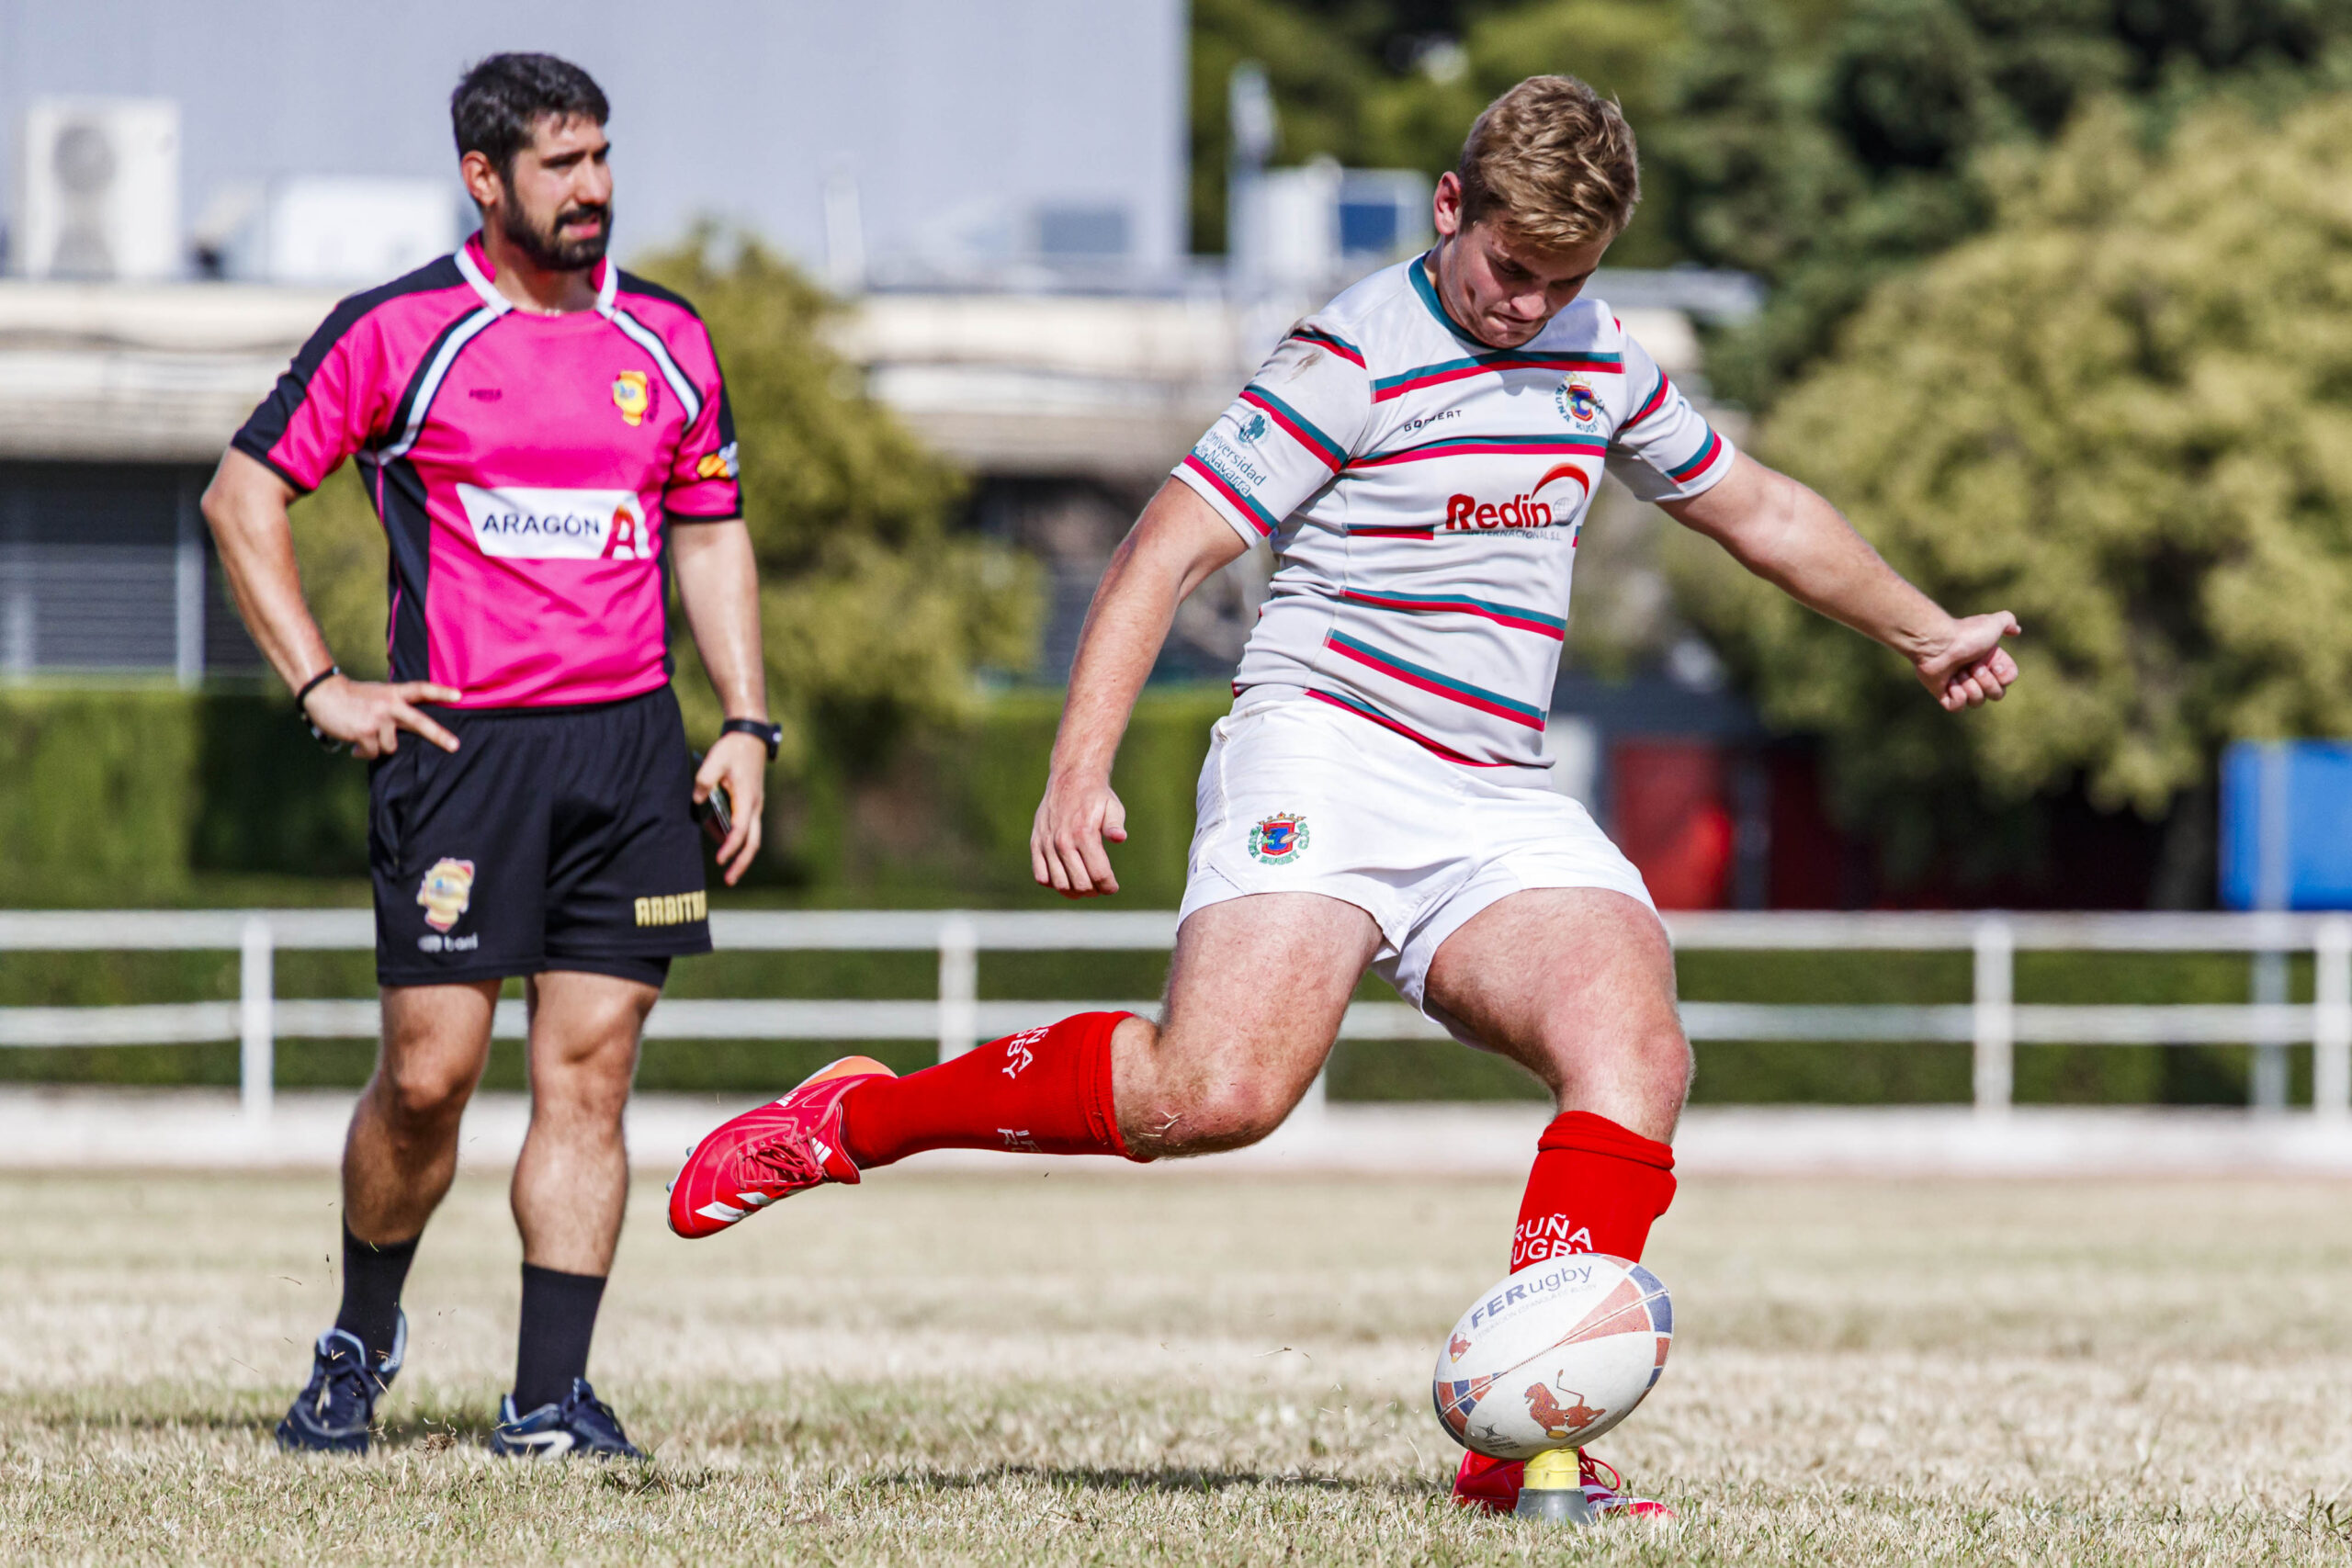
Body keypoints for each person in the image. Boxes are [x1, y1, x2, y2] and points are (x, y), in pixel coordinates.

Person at [666, 75, 2018, 1514]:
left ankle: (1522, 1448)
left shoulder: (1601, 355)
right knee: (1221, 1093)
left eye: (1564, 279)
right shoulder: (1349, 360)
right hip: (1323, 747)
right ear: (1451, 209)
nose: (1526, 305)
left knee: (1636, 1053)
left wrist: (1924, 629)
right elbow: (1158, 551)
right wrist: (1081, 765)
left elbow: (1761, 511)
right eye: (1509, 269)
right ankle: (859, 1120)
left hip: (1492, 789)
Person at [205, 52, 781, 1460]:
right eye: (561, 163)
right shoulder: (399, 332)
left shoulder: (669, 339)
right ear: (485, 176)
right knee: (429, 1076)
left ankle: (545, 1399)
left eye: (602, 158)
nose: (593, 189)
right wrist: (322, 683)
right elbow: (240, 497)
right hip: (460, 754)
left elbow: (708, 533)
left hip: (631, 752)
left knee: (591, 1073)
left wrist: (747, 721)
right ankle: (361, 1336)